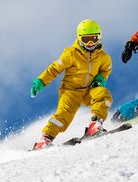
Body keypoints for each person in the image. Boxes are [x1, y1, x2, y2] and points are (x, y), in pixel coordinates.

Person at [30, 19, 113, 150]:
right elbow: (54, 68)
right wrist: (41, 81)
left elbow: (105, 70)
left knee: (104, 95)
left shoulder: (104, 57)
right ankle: (45, 139)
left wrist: (100, 80)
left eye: (93, 38)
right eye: (86, 39)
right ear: (79, 38)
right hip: (70, 91)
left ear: (99, 37)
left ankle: (95, 126)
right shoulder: (71, 53)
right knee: (63, 115)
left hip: (88, 90)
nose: (90, 43)